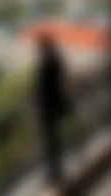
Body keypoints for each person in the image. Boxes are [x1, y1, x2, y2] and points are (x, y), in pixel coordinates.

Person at [35, 35, 69, 187]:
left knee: (51, 142)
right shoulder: (55, 61)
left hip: (48, 108)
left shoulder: (48, 63)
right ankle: (56, 170)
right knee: (53, 140)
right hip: (51, 107)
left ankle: (54, 172)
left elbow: (46, 87)